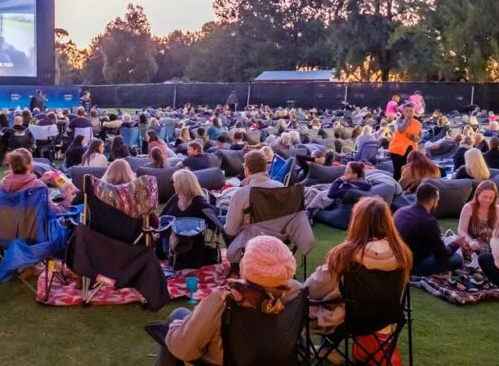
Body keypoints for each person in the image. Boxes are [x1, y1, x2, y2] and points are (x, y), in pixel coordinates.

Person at [160, 236, 301, 366]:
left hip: (224, 360)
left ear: (247, 265)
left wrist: (175, 326)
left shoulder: (223, 301)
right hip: (275, 358)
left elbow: (183, 350)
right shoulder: (295, 292)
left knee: (177, 315)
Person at [307, 197, 412, 334]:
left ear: (358, 221)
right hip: (383, 318)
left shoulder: (346, 255)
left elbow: (315, 288)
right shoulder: (402, 253)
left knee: (298, 301)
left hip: (347, 321)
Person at [393, 183, 463, 276]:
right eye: (437, 200)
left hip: (396, 259)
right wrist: (456, 243)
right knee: (458, 259)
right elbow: (443, 254)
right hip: (414, 265)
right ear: (432, 201)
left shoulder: (400, 211)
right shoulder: (428, 221)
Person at [224, 151, 284, 237]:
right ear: (266, 168)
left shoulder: (241, 193)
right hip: (277, 236)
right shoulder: (280, 186)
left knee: (218, 218)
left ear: (247, 169)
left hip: (250, 239)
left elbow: (231, 231)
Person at [0, 149, 72, 213]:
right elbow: (54, 211)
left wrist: (42, 180)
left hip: (7, 224)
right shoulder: (38, 186)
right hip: (32, 225)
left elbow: (24, 187)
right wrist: (67, 201)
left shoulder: (2, 184)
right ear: (30, 164)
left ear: (11, 165)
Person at [457, 181, 499, 257]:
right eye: (485, 197)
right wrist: (470, 242)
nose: (487, 200)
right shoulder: (468, 207)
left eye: (491, 198)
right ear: (478, 194)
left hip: (490, 245)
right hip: (471, 243)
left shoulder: (498, 210)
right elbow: (461, 230)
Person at [389, 102, 421, 181]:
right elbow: (401, 129)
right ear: (403, 112)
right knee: (399, 172)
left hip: (411, 151)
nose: (409, 113)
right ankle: (396, 187)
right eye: (407, 111)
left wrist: (415, 138)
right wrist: (407, 119)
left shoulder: (417, 123)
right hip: (397, 150)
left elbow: (420, 137)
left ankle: (407, 186)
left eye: (411, 111)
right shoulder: (398, 121)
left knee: (409, 172)